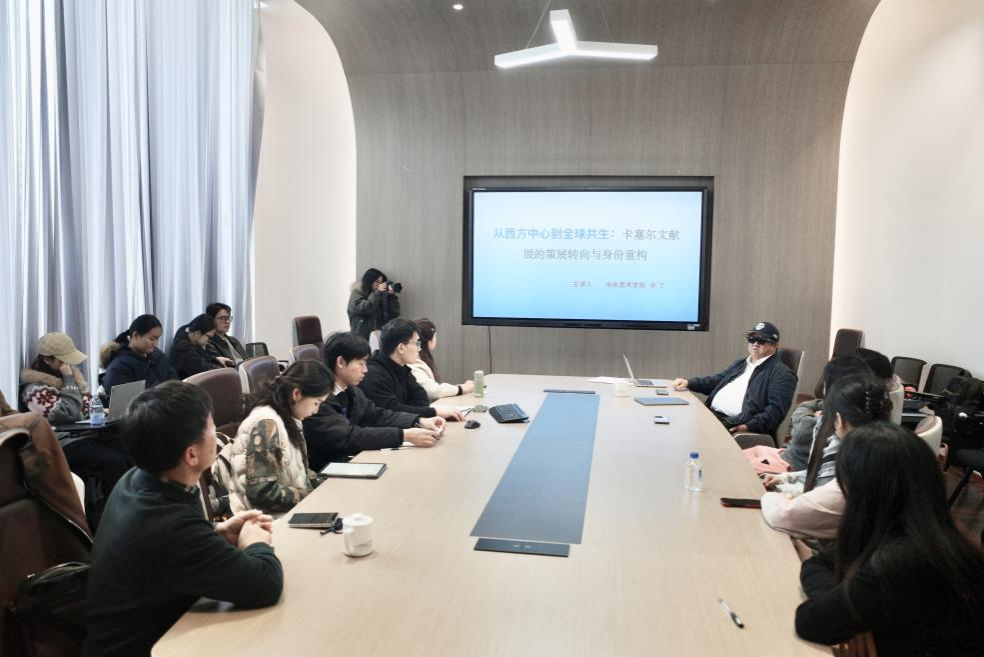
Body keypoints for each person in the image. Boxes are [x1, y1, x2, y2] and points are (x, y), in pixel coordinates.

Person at [84, 381, 283, 657]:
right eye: (211, 427)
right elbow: (265, 585)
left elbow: (164, 548)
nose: (218, 432)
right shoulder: (169, 525)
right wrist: (256, 543)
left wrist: (215, 531)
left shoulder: (136, 479)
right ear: (191, 454)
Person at [794, 422, 984, 655]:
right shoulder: (927, 536)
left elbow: (811, 621)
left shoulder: (902, 560)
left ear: (863, 490)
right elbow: (818, 563)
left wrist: (848, 608)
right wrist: (850, 608)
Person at [760, 373, 893, 539]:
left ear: (839, 420)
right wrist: (785, 479)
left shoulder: (852, 460)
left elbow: (785, 515)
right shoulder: (898, 447)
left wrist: (771, 496)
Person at [303, 331, 445, 471]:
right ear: (341, 362)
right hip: (326, 471)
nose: (365, 370)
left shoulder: (350, 390)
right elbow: (347, 436)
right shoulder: (317, 398)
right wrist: (404, 435)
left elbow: (376, 415)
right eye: (361, 363)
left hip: (351, 460)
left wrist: (418, 421)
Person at [20, 332, 129, 500]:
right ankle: (114, 508)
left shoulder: (73, 379)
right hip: (62, 441)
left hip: (87, 434)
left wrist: (101, 411)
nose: (70, 365)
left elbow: (85, 407)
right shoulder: (34, 390)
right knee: (113, 461)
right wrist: (69, 380)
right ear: (47, 360)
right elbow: (69, 414)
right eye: (65, 361)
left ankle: (129, 501)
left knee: (128, 449)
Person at [219, 360, 332, 513]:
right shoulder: (267, 425)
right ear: (297, 394)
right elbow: (263, 493)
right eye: (316, 403)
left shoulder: (287, 418)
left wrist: (321, 484)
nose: (316, 411)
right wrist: (311, 495)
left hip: (285, 513)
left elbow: (296, 472)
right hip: (264, 520)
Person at [743, 355, 868, 475]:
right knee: (746, 453)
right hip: (785, 455)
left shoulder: (833, 419)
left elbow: (801, 422)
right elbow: (807, 408)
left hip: (791, 466)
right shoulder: (849, 408)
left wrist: (812, 413)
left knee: (740, 466)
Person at [672, 321, 797, 437]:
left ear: (774, 346)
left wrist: (747, 427)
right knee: (674, 418)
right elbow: (716, 381)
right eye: (752, 339)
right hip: (712, 414)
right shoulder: (741, 363)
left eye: (762, 340)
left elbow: (775, 412)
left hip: (734, 422)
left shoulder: (782, 374)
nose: (755, 343)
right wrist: (689, 383)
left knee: (683, 431)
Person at [360, 319, 464, 421]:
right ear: (401, 348)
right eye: (416, 343)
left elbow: (422, 398)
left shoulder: (402, 368)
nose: (419, 349)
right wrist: (433, 412)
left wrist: (411, 412)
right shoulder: (373, 375)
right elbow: (392, 411)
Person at [100, 314, 178, 403]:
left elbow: (174, 382)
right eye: (152, 339)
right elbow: (125, 404)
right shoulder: (119, 366)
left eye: (157, 339)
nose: (155, 343)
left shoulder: (158, 356)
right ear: (136, 335)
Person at [409, 318, 474, 401]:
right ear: (429, 341)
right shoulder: (413, 364)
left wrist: (461, 387)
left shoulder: (421, 360)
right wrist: (462, 388)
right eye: (435, 336)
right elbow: (434, 391)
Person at [169, 314, 234, 379]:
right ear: (198, 333)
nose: (210, 341)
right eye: (209, 337)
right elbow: (203, 369)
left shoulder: (191, 340)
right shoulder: (183, 349)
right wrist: (225, 370)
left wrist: (216, 359)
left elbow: (200, 360)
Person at [347, 267, 400, 340]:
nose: (379, 285)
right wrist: (377, 293)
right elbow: (365, 308)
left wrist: (391, 296)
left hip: (379, 337)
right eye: (377, 282)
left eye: (381, 282)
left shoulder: (381, 295)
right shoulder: (357, 293)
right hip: (361, 338)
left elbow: (394, 314)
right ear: (369, 281)